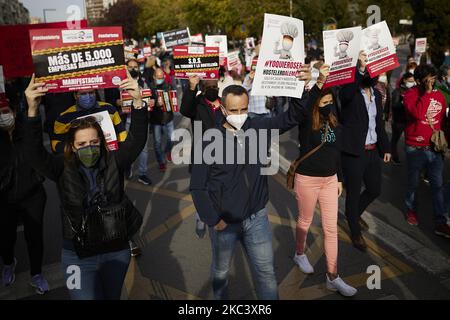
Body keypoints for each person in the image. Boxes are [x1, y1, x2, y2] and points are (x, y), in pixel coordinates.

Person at [190, 66, 312, 300]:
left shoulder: (258, 127)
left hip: (257, 218)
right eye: (234, 110)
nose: (240, 114)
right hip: (224, 223)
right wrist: (213, 220)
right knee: (221, 272)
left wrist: (300, 87)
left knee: (266, 273)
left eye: (244, 109)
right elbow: (197, 186)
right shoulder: (208, 140)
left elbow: (293, 117)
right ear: (223, 109)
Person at [24, 72, 147, 299]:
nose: (88, 147)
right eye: (81, 144)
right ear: (72, 145)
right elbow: (34, 153)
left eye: (93, 142)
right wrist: (32, 110)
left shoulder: (114, 160)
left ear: (101, 141)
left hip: (116, 251)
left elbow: (136, 140)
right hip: (76, 256)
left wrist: (138, 102)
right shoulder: (62, 167)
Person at [292, 65, 357, 296]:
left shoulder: (333, 118)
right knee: (305, 221)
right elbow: (307, 103)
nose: (328, 102)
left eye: (330, 98)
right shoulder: (306, 119)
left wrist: (338, 178)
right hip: (307, 179)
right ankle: (299, 253)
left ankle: (333, 276)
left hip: (330, 180)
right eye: (324, 99)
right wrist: (318, 82)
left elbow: (335, 150)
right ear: (316, 101)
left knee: (331, 229)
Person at [339, 51, 391, 251]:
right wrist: (360, 67)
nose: (373, 75)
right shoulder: (350, 92)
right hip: (354, 152)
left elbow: (379, 123)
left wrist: (385, 147)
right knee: (352, 193)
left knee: (374, 189)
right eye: (369, 72)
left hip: (372, 151)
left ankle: (353, 214)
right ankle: (355, 231)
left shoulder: (376, 94)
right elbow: (345, 94)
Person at [0, 105, 48, 294]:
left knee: (34, 237)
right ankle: (9, 263)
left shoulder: (27, 132)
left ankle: (36, 274)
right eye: (0, 113)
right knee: (5, 238)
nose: (4, 117)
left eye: (6, 112)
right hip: (4, 199)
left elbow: (34, 122)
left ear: (14, 112)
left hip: (33, 195)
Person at [403, 64, 450, 237]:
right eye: (428, 79)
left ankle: (440, 221)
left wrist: (443, 140)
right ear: (418, 81)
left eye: (433, 78)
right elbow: (418, 113)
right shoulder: (410, 95)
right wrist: (427, 94)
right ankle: (411, 210)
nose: (432, 81)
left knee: (437, 185)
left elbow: (442, 120)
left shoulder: (439, 95)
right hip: (415, 148)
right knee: (413, 183)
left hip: (434, 148)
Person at [180, 75, 222, 238]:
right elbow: (185, 109)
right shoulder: (197, 104)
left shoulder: (224, 103)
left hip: (222, 155)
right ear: (203, 88)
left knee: (218, 188)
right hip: (201, 154)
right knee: (202, 188)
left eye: (214, 86)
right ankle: (201, 216)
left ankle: (217, 215)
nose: (212, 89)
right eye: (208, 86)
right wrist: (191, 87)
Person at [51, 89, 127, 154]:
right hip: (79, 159)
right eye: (83, 94)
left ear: (95, 93)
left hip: (109, 155)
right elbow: (55, 142)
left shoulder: (109, 108)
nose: (88, 97)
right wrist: (74, 150)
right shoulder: (64, 117)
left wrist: (120, 150)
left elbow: (122, 132)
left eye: (91, 92)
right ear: (75, 95)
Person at [149, 68, 175, 172]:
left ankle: (167, 151)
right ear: (154, 77)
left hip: (168, 118)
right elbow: (147, 103)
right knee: (157, 143)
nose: (160, 79)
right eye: (158, 78)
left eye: (162, 77)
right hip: (156, 120)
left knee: (171, 139)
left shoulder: (168, 86)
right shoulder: (150, 88)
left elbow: (174, 99)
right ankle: (161, 162)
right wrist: (155, 103)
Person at [390, 72, 415, 165]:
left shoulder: (413, 90)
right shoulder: (397, 91)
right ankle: (394, 157)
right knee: (395, 139)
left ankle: (411, 158)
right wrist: (403, 102)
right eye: (410, 81)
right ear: (404, 80)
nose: (412, 83)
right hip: (399, 120)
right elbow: (394, 105)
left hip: (409, 120)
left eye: (413, 81)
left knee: (410, 141)